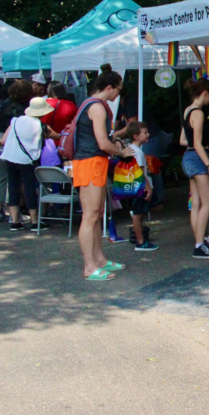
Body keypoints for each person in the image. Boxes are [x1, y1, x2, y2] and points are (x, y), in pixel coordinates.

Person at [74, 69, 135, 280]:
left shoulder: (92, 104)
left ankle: (99, 260)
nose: (119, 94)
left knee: (97, 213)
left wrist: (114, 143)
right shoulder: (97, 107)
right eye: (118, 89)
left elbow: (103, 139)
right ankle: (89, 267)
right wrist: (121, 151)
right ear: (109, 87)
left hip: (93, 162)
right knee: (90, 216)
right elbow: (102, 143)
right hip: (90, 162)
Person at [0, 97, 58, 231]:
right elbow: (56, 136)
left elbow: (2, 140)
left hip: (10, 157)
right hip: (27, 160)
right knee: (29, 189)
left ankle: (14, 222)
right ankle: (35, 221)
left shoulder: (15, 121)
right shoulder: (41, 125)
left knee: (13, 188)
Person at [180, 78, 209, 260]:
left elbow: (184, 140)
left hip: (188, 157)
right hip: (198, 158)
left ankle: (200, 241)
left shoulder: (187, 110)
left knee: (195, 203)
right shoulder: (199, 113)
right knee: (208, 203)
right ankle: (199, 245)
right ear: (205, 93)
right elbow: (196, 143)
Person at [0, 80, 33, 223]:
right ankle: (18, 212)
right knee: (16, 179)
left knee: (2, 178)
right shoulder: (23, 109)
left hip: (0, 138)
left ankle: (0, 210)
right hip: (12, 142)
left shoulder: (2, 104)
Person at [125, 121, 159, 251]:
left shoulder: (130, 149)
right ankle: (141, 241)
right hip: (140, 187)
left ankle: (140, 238)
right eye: (145, 133)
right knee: (137, 215)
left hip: (133, 186)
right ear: (136, 136)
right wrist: (148, 188)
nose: (148, 134)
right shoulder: (138, 152)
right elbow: (139, 172)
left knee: (137, 214)